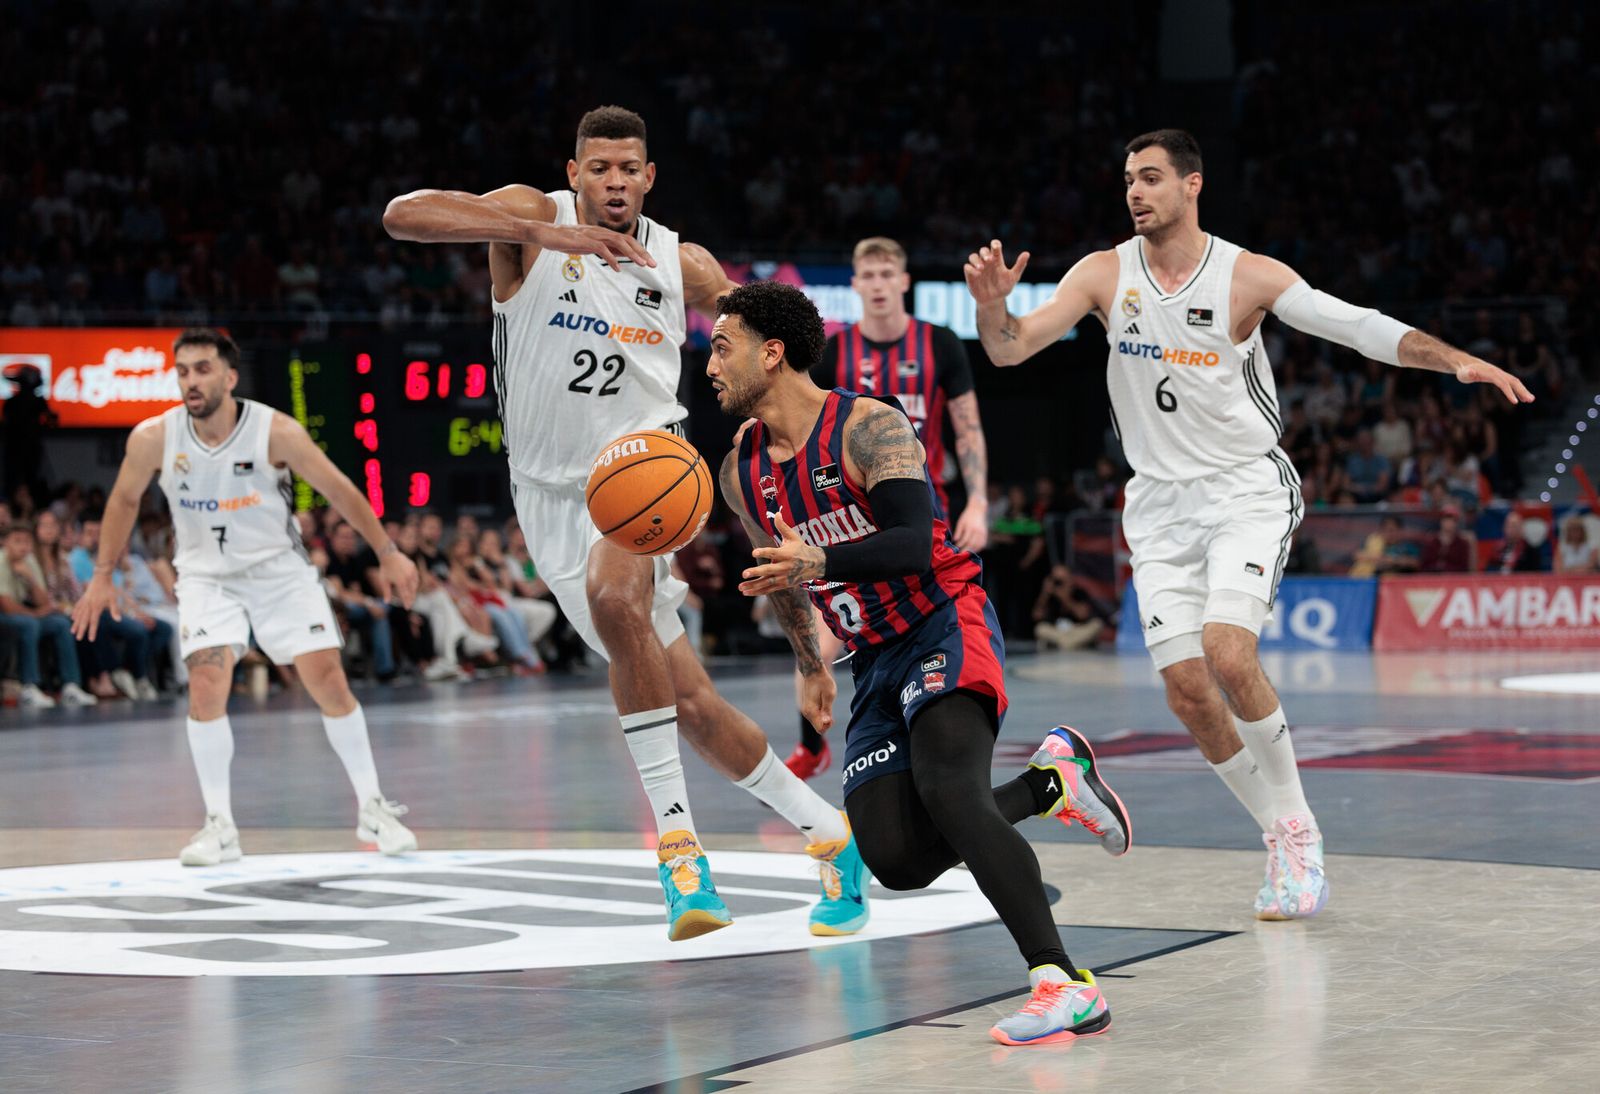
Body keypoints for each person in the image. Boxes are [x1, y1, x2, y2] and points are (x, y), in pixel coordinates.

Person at [965, 128, 1533, 919]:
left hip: (1245, 489)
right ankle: (1279, 831)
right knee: (1186, 690)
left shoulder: (1247, 275)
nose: (1136, 191)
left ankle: (1298, 825)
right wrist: (995, 309)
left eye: (1153, 177)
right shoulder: (1102, 274)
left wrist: (1454, 360)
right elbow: (1011, 351)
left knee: (1228, 653)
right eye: (1129, 178)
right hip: (1158, 505)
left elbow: (1356, 323)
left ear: (1192, 185)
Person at [383, 105, 867, 939]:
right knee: (691, 704)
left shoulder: (682, 260)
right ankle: (833, 836)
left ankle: (680, 855)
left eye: (628, 168)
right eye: (597, 167)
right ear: (574, 173)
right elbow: (403, 215)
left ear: (649, 178)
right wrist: (542, 235)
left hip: (647, 473)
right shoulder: (533, 220)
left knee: (616, 597)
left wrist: (818, 423)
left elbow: (773, 336)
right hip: (545, 493)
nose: (612, 181)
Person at [711, 281, 1131, 1046]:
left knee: (950, 788)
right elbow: (782, 575)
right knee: (897, 859)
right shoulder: (738, 471)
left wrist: (819, 556)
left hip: (943, 619)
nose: (710, 364)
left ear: (772, 354)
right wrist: (811, 665)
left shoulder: (869, 425)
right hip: (872, 657)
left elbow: (912, 539)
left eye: (721, 345)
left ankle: (1062, 982)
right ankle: (1050, 784)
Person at [72, 328, 421, 866]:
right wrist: (101, 575)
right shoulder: (153, 438)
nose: (191, 380)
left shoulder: (274, 430)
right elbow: (122, 501)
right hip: (207, 578)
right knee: (207, 683)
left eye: (203, 369)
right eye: (183, 370)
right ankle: (220, 825)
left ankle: (373, 806)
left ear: (230, 377)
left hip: (280, 571)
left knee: (328, 680)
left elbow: (338, 488)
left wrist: (387, 550)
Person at [780, 236, 992, 780]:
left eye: (885, 274)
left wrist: (980, 502)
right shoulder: (831, 352)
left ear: (903, 282)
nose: (876, 284)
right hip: (848, 514)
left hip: (921, 518)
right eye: (866, 276)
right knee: (815, 641)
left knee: (931, 629)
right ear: (855, 286)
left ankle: (942, 738)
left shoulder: (940, 344)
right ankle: (815, 745)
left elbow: (967, 428)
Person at [0, 521, 97, 708]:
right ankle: (29, 687)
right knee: (30, 624)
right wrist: (36, 613)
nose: (23, 546)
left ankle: (70, 685)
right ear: (5, 543)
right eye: (17, 541)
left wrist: (29, 576)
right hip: (6, 615)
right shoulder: (1, 561)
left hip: (23, 614)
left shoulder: (29, 561)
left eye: (27, 542)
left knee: (60, 624)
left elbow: (43, 601)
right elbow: (7, 606)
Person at [1420, 506, 1472, 572]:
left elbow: (1464, 568)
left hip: (1454, 579)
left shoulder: (1462, 544)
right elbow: (1423, 567)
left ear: (1456, 523)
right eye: (1446, 519)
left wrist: (1446, 568)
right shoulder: (1431, 542)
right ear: (1441, 521)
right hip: (1433, 578)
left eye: (1452, 520)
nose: (1448, 523)